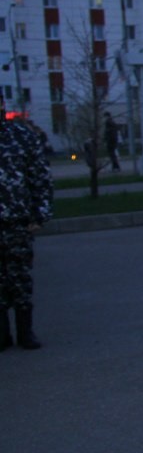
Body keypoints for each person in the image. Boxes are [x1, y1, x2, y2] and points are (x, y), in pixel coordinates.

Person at [0, 91, 53, 351]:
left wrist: (40, 213)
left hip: (17, 221)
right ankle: (2, 334)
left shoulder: (21, 136)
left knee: (20, 277)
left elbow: (39, 177)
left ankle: (25, 332)